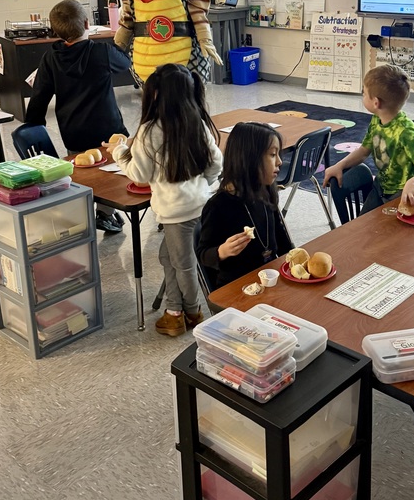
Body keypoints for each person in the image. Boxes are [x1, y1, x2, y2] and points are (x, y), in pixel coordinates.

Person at [105, 63, 222, 336]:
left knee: (183, 264)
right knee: (168, 258)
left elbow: (139, 174)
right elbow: (216, 162)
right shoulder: (197, 121)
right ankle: (174, 310)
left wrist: (119, 151)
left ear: (157, 94)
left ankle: (192, 312)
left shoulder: (149, 130)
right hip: (200, 205)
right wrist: (203, 186)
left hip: (176, 214)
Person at [25, 0, 131, 233]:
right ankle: (105, 211)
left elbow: (39, 97)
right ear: (86, 23)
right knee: (117, 168)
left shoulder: (50, 58)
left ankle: (94, 210)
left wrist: (32, 126)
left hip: (73, 131)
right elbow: (125, 63)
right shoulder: (100, 52)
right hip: (108, 127)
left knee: (86, 170)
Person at [323, 64, 414, 214]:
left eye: (364, 94)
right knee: (362, 226)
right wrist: (340, 164)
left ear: (376, 102)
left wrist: (413, 182)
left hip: (404, 194)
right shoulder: (377, 120)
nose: (362, 96)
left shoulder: (406, 132)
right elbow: (364, 151)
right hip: (381, 189)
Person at [198, 122, 293, 289]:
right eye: (272, 155)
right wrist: (222, 251)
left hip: (269, 277)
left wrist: (294, 259)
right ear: (250, 159)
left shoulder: (266, 192)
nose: (279, 162)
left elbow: (281, 237)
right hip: (237, 287)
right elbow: (202, 254)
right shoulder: (218, 206)